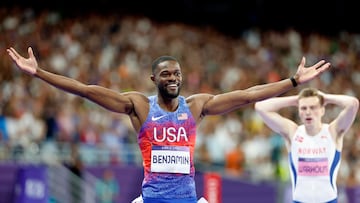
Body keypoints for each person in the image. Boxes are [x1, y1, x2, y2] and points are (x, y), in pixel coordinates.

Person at [6, 46, 331, 203]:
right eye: (166, 74)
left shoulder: (196, 106)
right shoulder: (138, 106)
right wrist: (38, 73)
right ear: (154, 79)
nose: (173, 79)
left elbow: (246, 95)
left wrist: (292, 80)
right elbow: (85, 91)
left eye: (176, 73)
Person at [254, 88, 359, 203]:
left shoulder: (333, 131)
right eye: (303, 108)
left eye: (313, 107)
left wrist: (326, 97)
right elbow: (260, 107)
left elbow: (353, 104)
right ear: (299, 111)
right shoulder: (292, 132)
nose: (308, 112)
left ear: (322, 110)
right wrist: (295, 100)